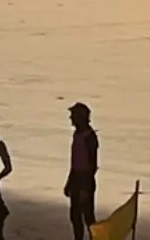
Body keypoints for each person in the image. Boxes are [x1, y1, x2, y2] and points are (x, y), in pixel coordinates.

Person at [64, 102, 99, 240]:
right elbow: (75, 161)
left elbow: (92, 164)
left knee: (88, 216)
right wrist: (69, 181)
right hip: (76, 176)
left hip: (85, 178)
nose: (70, 118)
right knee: (75, 214)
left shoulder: (89, 136)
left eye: (73, 115)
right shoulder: (77, 134)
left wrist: (86, 186)